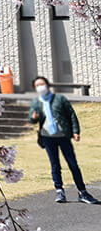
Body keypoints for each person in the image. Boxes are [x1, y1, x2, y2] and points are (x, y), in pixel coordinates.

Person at [29, 76, 100, 204]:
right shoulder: (37, 102)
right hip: (47, 137)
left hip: (63, 136)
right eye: (37, 86)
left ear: (47, 85)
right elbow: (32, 119)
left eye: (42, 84)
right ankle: (59, 191)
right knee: (55, 165)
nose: (40, 87)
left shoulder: (59, 98)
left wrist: (76, 131)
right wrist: (34, 118)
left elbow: (71, 114)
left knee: (73, 164)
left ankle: (82, 192)